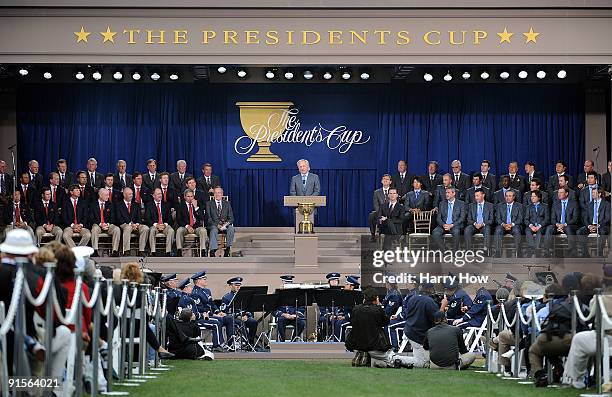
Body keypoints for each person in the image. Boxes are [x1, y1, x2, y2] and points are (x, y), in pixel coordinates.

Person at [345, 287, 414, 369]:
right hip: (375, 346)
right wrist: (379, 306)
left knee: (378, 360)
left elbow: (353, 322)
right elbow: (385, 322)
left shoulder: (356, 309)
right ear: (376, 298)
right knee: (392, 357)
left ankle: (364, 355)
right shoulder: (377, 309)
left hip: (356, 345)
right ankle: (403, 363)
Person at [177, 278, 224, 352]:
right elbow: (191, 315)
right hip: (192, 322)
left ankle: (219, 344)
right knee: (216, 324)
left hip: (196, 319)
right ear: (185, 288)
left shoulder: (187, 297)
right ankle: (216, 345)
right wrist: (202, 315)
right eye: (190, 287)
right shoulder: (185, 299)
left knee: (216, 320)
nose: (191, 288)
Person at [190, 271, 232, 352]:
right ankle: (218, 344)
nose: (206, 280)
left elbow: (212, 304)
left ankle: (231, 343)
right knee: (218, 321)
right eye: (204, 279)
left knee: (229, 318)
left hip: (212, 314)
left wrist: (218, 312)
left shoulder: (207, 291)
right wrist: (214, 315)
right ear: (198, 281)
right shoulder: (195, 293)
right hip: (203, 316)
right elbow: (200, 309)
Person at [400, 283, 439, 367]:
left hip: (410, 331)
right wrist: (442, 306)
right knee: (424, 363)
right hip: (418, 335)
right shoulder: (429, 301)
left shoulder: (413, 298)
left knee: (424, 359)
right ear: (429, 289)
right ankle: (395, 359)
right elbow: (437, 319)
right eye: (432, 289)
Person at [221, 277, 259, 348]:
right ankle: (247, 343)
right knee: (240, 323)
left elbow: (248, 308)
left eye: (239, 285)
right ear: (230, 285)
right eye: (236, 285)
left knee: (253, 322)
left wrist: (246, 315)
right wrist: (238, 316)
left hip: (244, 316)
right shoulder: (226, 297)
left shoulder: (245, 296)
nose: (238, 287)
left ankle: (251, 341)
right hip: (234, 318)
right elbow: (225, 313)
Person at [114, 187, 149, 256]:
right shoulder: (118, 205)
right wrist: (130, 224)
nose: (131, 195)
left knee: (145, 228)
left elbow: (139, 217)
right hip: (124, 224)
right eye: (129, 194)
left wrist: (137, 224)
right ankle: (126, 250)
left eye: (132, 194)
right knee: (128, 228)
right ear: (124, 195)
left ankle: (141, 250)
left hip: (135, 225)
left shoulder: (136, 204)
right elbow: (119, 218)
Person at [545, 187, 579, 256]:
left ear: (566, 194)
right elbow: (553, 218)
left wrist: (564, 224)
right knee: (549, 228)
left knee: (568, 228)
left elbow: (575, 219)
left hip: (569, 225)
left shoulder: (574, 203)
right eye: (558, 193)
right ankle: (547, 251)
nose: (559, 194)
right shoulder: (555, 203)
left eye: (561, 192)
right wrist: (557, 224)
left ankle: (572, 251)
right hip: (557, 225)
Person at [577, 187, 610, 256]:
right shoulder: (589, 204)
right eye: (592, 193)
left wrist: (598, 225)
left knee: (603, 232)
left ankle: (599, 253)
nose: (592, 194)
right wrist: (589, 226)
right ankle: (585, 253)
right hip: (591, 225)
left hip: (602, 225)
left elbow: (607, 218)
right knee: (579, 232)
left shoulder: (607, 204)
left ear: (599, 194)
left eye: (594, 193)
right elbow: (585, 218)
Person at [175, 189, 207, 257]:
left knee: (203, 230)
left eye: (191, 196)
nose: (190, 198)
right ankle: (179, 250)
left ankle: (203, 250)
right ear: (184, 197)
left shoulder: (197, 204)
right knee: (179, 230)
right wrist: (187, 226)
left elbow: (202, 217)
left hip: (196, 227)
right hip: (185, 227)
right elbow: (179, 219)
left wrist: (196, 207)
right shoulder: (180, 206)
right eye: (188, 196)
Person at [89, 189, 121, 257]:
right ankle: (95, 250)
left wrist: (107, 224)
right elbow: (91, 218)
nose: (108, 197)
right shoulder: (93, 204)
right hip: (98, 224)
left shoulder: (110, 204)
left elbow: (113, 217)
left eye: (108, 195)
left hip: (108, 225)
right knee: (94, 229)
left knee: (116, 229)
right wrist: (100, 224)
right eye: (106, 195)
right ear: (100, 195)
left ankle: (115, 251)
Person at [144, 187, 175, 256]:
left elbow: (170, 218)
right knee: (152, 231)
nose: (160, 195)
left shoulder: (166, 204)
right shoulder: (149, 205)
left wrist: (165, 225)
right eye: (158, 194)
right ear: (153, 195)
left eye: (161, 193)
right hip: (154, 225)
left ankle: (168, 251)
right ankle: (153, 251)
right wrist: (156, 225)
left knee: (171, 231)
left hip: (164, 225)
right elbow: (148, 218)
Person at [275, 276, 306, 342]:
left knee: (302, 323)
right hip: (283, 317)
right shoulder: (277, 294)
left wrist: (295, 315)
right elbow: (273, 309)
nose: (287, 285)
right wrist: (283, 314)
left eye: (289, 284)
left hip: (294, 317)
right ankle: (282, 342)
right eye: (286, 283)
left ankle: (293, 341)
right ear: (283, 284)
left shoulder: (298, 294)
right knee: (280, 320)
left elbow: (302, 308)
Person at [205, 186, 234, 257]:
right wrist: (217, 225)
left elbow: (231, 218)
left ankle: (227, 248)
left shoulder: (227, 203)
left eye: (219, 193)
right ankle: (213, 250)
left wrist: (226, 224)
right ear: (213, 194)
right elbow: (208, 218)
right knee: (214, 230)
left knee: (231, 228)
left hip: (224, 226)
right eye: (216, 193)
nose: (217, 194)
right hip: (214, 225)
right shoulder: (209, 204)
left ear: (222, 194)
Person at [493, 190, 524, 257]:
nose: (507, 197)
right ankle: (498, 252)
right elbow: (497, 218)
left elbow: (520, 219)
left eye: (510, 196)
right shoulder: (500, 206)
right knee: (498, 230)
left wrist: (511, 224)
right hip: (503, 225)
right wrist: (503, 224)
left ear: (514, 197)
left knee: (517, 230)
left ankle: (518, 252)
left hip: (514, 225)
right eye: (506, 196)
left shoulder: (519, 206)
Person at [464, 188, 494, 252]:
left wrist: (482, 224)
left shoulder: (490, 206)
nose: (476, 198)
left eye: (477, 196)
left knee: (487, 229)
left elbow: (491, 220)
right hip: (474, 225)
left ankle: (486, 250)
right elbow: (469, 219)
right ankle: (468, 251)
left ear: (483, 195)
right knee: (467, 229)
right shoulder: (471, 206)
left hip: (484, 225)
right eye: (475, 196)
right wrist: (475, 224)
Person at [524, 190, 550, 257]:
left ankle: (536, 249)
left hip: (541, 226)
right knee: (527, 231)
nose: (532, 198)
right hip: (531, 226)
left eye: (534, 196)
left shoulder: (545, 206)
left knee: (540, 232)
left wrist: (539, 226)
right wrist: (531, 226)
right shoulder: (528, 207)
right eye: (531, 196)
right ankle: (532, 249)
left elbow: (547, 219)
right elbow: (526, 219)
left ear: (539, 198)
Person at [368, 174, 391, 241]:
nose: (385, 180)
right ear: (381, 181)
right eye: (384, 179)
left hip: (390, 213)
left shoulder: (393, 191)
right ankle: (373, 235)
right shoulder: (376, 192)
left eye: (387, 179)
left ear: (390, 182)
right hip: (379, 213)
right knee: (371, 215)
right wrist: (380, 215)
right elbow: (376, 205)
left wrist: (387, 215)